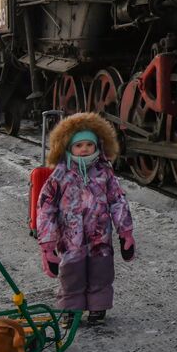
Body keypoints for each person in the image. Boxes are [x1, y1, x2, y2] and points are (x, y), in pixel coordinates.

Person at [35, 113, 136, 326]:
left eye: (89, 144)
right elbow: (46, 208)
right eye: (79, 145)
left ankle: (98, 306)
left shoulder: (104, 172)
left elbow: (118, 200)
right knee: (71, 273)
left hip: (100, 235)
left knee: (101, 270)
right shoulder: (59, 175)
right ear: (68, 147)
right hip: (70, 237)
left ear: (98, 146)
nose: (84, 149)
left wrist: (125, 231)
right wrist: (47, 242)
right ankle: (71, 308)